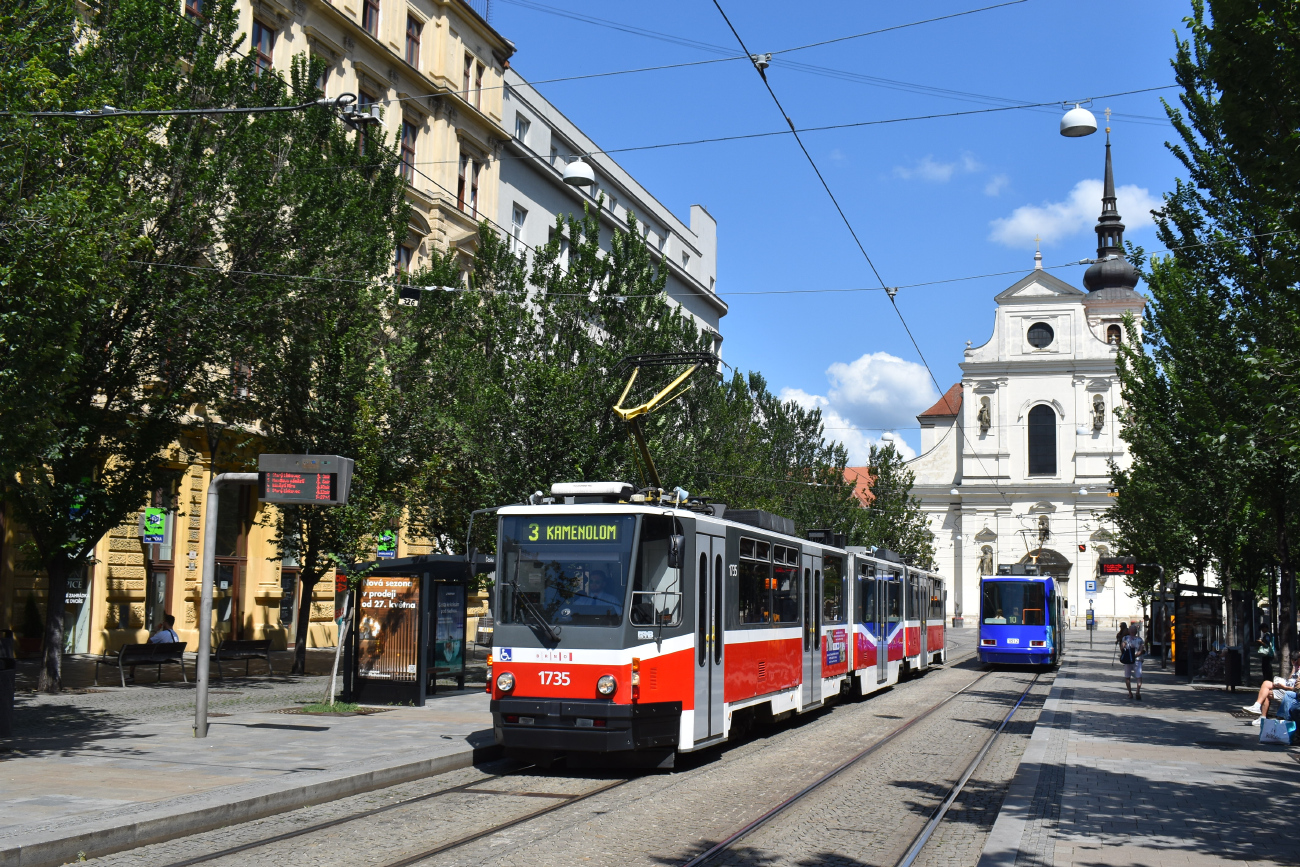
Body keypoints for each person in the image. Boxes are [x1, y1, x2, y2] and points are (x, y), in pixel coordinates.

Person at [1243, 653, 1299, 725]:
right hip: (1286, 688)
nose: (1294, 662)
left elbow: (1297, 688)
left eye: (1296, 660)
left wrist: (1283, 687)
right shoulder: (1297, 668)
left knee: (1266, 693)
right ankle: (1258, 709)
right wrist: (1294, 668)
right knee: (1266, 685)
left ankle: (1261, 714)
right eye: (1293, 660)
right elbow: (1290, 680)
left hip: (1291, 693)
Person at [1120, 623, 1145, 700]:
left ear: (1129, 631)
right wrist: (1136, 655)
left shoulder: (1125, 638)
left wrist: (1125, 653)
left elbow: (1122, 647)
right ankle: (1137, 691)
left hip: (1128, 660)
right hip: (1137, 660)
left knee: (1127, 677)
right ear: (1136, 632)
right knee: (1139, 677)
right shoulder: (1140, 640)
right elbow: (1142, 650)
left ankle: (1130, 693)